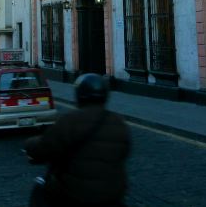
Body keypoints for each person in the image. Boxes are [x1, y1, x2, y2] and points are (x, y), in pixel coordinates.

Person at [25, 73, 131, 207]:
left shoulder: (70, 121)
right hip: (112, 196)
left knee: (41, 190)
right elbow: (124, 152)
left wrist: (29, 144)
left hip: (76, 196)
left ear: (79, 96)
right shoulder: (119, 123)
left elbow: (45, 145)